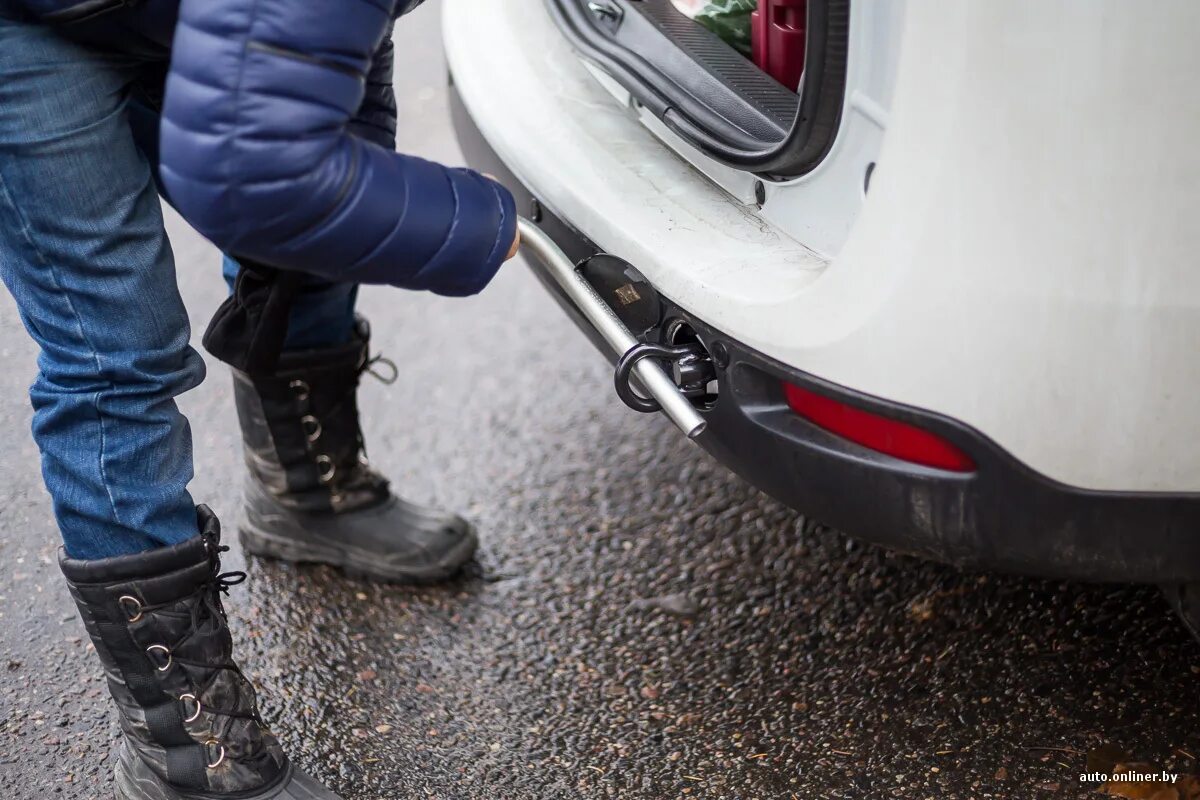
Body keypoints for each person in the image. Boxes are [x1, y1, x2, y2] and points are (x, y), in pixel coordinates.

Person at [0, 0, 519, 797]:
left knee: (312, 233)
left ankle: (305, 489)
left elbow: (329, 158)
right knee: (115, 348)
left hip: (197, 17)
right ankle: (184, 746)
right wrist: (495, 224)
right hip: (22, 29)